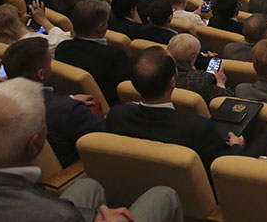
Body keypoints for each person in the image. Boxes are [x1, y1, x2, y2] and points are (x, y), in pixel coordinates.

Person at [0, 77, 183, 222]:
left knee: (89, 185)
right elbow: (51, 213)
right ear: (35, 143)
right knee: (164, 195)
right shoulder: (56, 215)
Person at [105, 45, 259, 174]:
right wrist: (236, 146)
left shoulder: (116, 116)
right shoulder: (198, 128)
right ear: (173, 82)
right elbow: (225, 165)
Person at [0, 37, 105, 168]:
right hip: (78, 169)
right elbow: (108, 138)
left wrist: (69, 100)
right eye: (50, 63)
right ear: (41, 74)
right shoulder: (69, 110)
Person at [54, 0, 132, 107]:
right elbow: (128, 91)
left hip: (72, 104)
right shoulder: (114, 57)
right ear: (101, 28)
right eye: (106, 22)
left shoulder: (62, 48)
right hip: (109, 109)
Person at [167, 33, 235, 105]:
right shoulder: (203, 79)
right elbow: (227, 102)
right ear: (192, 58)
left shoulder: (162, 71)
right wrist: (220, 83)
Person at [0, 1, 67, 53]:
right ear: (14, 23)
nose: (25, 15)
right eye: (19, 14)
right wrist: (44, 21)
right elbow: (66, 43)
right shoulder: (33, 41)